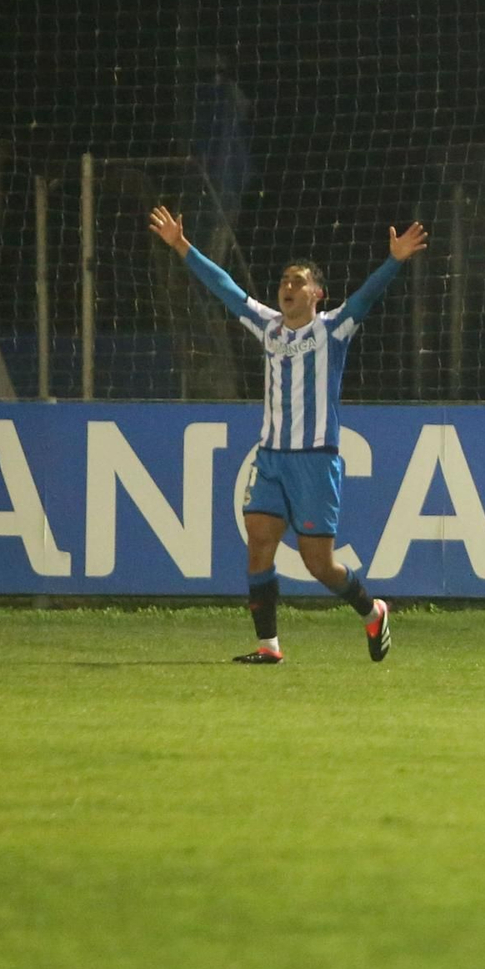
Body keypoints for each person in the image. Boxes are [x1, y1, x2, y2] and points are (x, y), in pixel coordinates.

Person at [148, 204, 427, 664]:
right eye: (284, 281)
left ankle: (372, 611)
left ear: (318, 293)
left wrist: (394, 260)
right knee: (259, 540)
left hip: (315, 461)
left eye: (299, 282)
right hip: (272, 458)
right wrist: (182, 246)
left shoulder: (334, 329)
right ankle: (269, 646)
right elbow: (226, 289)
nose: (288, 287)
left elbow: (365, 299)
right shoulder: (267, 326)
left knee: (320, 565)